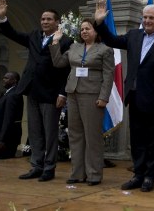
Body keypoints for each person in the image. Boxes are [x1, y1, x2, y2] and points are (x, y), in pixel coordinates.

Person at [94, 2, 154, 192]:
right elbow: (112, 40)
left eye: (151, 18)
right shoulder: (134, 35)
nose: (147, 21)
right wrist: (100, 23)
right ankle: (138, 174)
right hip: (135, 97)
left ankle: (150, 176)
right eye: (145, 17)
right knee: (137, 139)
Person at [0, 0, 72, 182]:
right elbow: (13, 34)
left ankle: (49, 167)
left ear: (57, 22)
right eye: (43, 19)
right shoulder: (34, 36)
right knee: (35, 131)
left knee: (50, 132)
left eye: (49, 19)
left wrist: (62, 93)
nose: (45, 22)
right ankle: (36, 166)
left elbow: (66, 70)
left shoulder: (65, 41)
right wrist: (3, 18)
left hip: (51, 93)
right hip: (32, 90)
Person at [49, 18, 114, 186]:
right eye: (82, 29)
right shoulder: (74, 47)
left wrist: (104, 97)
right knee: (75, 135)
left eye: (88, 28)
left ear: (96, 32)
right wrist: (55, 42)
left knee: (92, 137)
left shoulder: (105, 50)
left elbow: (108, 75)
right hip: (73, 93)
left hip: (93, 95)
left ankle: (93, 174)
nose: (84, 31)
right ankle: (77, 173)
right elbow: (58, 63)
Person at [0, 72, 24, 159]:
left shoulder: (12, 95)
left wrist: (2, 139)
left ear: (14, 81)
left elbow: (9, 118)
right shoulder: (9, 93)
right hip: (4, 138)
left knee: (1, 164)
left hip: (7, 139)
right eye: (4, 77)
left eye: (6, 78)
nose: (3, 80)